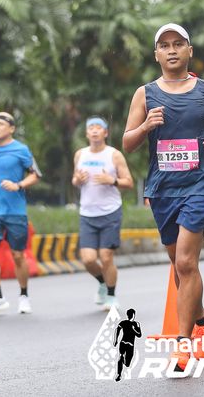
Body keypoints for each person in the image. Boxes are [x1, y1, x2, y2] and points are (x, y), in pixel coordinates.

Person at [123, 23, 204, 371]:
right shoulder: (145, 94)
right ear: (156, 55)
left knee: (187, 263)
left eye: (178, 44)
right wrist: (146, 126)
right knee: (179, 265)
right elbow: (127, 142)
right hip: (163, 189)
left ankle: (183, 344)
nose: (171, 50)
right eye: (164, 45)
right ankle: (203, 319)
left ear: (190, 51)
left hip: (201, 183)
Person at [0, 112, 41, 314]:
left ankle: (24, 296)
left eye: (0, 124)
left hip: (15, 211)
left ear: (11, 128)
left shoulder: (21, 150)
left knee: (18, 255)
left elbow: (36, 175)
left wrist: (18, 185)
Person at [72, 116, 134, 311]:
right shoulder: (80, 154)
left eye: (98, 128)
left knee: (106, 257)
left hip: (110, 212)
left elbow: (129, 182)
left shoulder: (114, 155)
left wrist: (112, 181)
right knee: (88, 259)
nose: (94, 131)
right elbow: (75, 180)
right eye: (91, 128)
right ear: (87, 133)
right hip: (87, 213)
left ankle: (111, 295)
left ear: (105, 133)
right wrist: (78, 180)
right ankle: (102, 282)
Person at [113, 308, 142, 382]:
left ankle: (119, 373)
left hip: (123, 343)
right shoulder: (135, 324)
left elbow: (117, 330)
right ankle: (119, 373)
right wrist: (134, 329)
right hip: (129, 344)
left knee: (123, 360)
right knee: (126, 362)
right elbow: (139, 335)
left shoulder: (124, 322)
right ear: (133, 315)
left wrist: (115, 340)